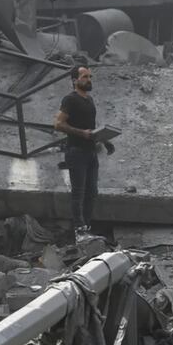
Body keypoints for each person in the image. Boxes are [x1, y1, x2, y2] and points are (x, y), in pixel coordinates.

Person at [53, 66, 113, 240]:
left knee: (92, 192)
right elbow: (58, 124)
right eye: (85, 77)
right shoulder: (69, 100)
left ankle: (87, 227)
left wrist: (105, 140)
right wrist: (81, 133)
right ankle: (79, 230)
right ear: (74, 80)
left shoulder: (90, 99)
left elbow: (91, 128)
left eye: (90, 76)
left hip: (90, 152)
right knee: (78, 192)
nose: (89, 79)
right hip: (76, 151)